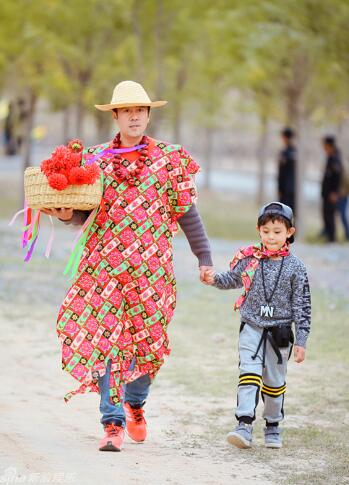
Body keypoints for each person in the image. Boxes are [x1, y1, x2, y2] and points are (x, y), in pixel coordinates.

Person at [41, 80, 213, 452]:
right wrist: (67, 212)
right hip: (102, 267)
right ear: (115, 115)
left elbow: (187, 213)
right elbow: (79, 212)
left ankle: (135, 403)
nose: (134, 116)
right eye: (127, 110)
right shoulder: (95, 159)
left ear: (149, 115)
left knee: (146, 346)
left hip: (152, 271)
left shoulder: (170, 160)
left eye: (141, 110)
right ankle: (112, 422)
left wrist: (204, 258)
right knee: (106, 343)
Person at [202, 202, 311, 449]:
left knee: (273, 383)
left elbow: (302, 307)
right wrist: (213, 279)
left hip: (280, 333)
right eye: (266, 231)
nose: (271, 237)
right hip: (251, 326)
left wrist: (301, 340)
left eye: (277, 232)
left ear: (289, 233)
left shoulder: (296, 267)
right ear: (258, 230)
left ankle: (273, 425)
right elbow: (232, 279)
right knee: (248, 375)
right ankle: (244, 425)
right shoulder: (250, 259)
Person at [321, 136, 343, 242]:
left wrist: (335, 192)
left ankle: (331, 238)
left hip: (332, 194)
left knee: (330, 214)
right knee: (326, 214)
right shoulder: (330, 157)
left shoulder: (335, 158)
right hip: (327, 193)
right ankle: (328, 235)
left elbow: (337, 178)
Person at [277, 127, 296, 214]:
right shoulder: (295, 152)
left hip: (286, 189)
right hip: (293, 188)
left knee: (285, 214)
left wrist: (280, 188)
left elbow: (282, 173)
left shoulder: (285, 153)